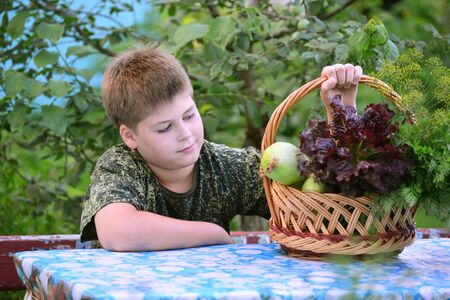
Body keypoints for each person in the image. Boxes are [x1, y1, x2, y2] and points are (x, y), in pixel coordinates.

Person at [79, 43, 362, 251]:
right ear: (130, 137)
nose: (185, 134)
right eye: (165, 127)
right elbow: (118, 232)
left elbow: (319, 206)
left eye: (189, 115)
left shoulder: (224, 166)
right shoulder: (120, 165)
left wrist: (341, 112)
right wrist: (213, 233)